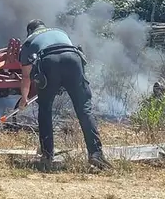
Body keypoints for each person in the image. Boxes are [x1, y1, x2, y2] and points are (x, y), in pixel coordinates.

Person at [18, 19, 112, 170]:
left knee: (45, 109)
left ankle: (47, 156)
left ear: (29, 31)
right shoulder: (60, 32)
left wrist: (24, 99)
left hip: (49, 61)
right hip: (74, 59)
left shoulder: (29, 41)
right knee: (84, 110)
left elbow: (26, 77)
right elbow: (66, 51)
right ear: (44, 27)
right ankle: (96, 155)